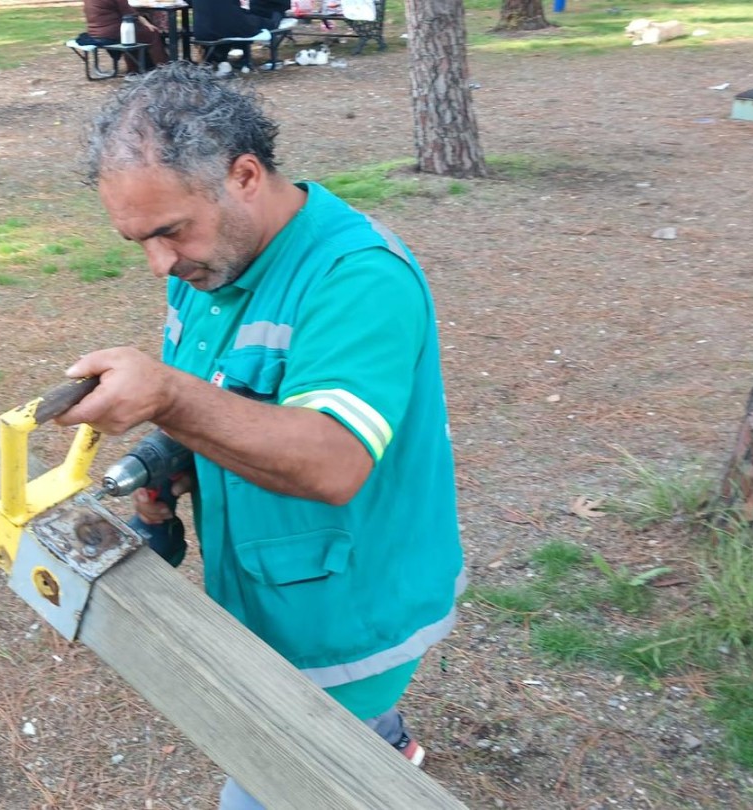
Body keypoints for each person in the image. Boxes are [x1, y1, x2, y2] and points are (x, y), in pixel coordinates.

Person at [56, 62, 466, 809]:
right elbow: (230, 406)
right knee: (334, 741)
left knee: (268, 784)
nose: (160, 266)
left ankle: (372, 746)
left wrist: (172, 399)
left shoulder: (358, 276)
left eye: (171, 231)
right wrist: (172, 460)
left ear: (245, 175)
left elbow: (332, 461)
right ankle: (381, 739)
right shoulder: (208, 267)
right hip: (267, 594)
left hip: (346, 610)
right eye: (139, 240)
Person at [79, 0, 169, 74]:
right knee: (152, 33)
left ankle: (136, 68)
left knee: (137, 34)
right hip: (112, 33)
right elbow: (129, 13)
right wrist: (147, 23)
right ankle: (164, 68)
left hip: (94, 32)